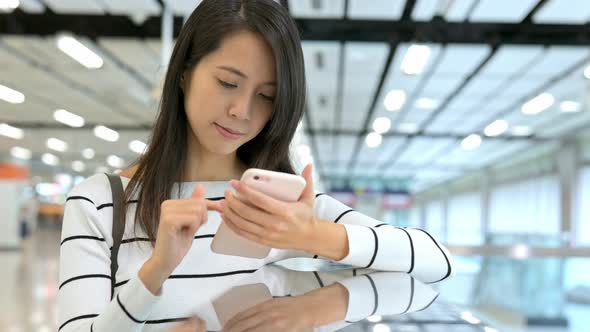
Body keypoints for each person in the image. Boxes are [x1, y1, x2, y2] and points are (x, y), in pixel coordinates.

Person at [57, 1, 455, 331]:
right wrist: (155, 271)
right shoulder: (99, 201)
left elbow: (434, 266)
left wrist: (311, 272)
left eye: (266, 96)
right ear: (183, 74)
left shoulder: (278, 205)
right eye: (228, 83)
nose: (241, 111)